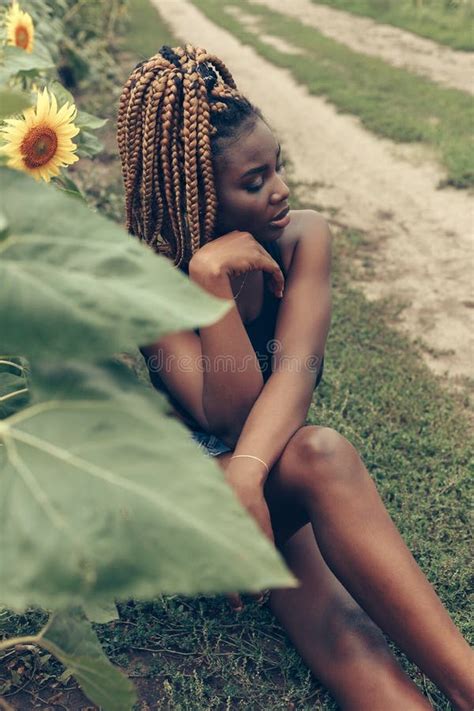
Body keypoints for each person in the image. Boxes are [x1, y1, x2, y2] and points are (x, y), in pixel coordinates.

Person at [116, 44, 473, 711]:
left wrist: (250, 473)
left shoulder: (303, 237)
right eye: (253, 182)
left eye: (275, 166)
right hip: (202, 492)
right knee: (320, 457)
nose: (279, 188)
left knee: (343, 622)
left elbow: (296, 374)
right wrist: (209, 281)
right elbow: (227, 416)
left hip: (268, 468)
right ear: (197, 190)